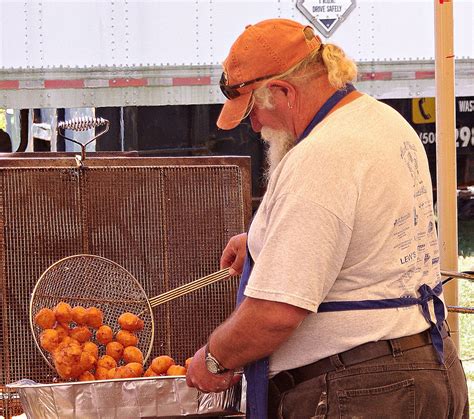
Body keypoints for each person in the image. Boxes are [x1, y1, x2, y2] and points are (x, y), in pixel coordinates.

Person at [186, 18, 469, 418]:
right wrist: (261, 243)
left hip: (365, 392)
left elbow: (274, 314)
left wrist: (215, 358)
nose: (254, 126)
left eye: (252, 111)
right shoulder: (381, 121)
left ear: (283, 91)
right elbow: (360, 231)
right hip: (421, 369)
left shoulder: (322, 156)